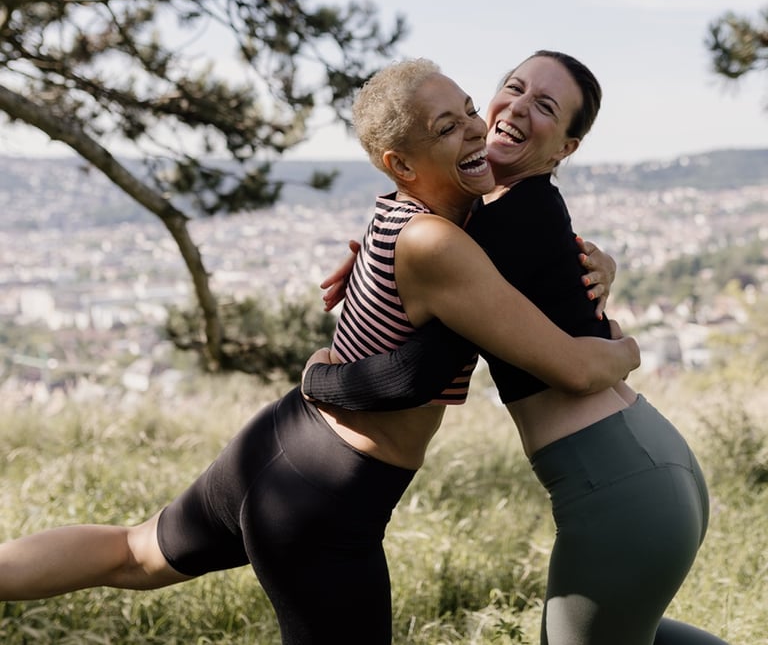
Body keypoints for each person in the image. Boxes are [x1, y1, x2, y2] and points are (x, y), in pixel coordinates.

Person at [0, 60, 640, 645]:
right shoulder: (441, 244)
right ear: (403, 166)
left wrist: (595, 264)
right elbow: (425, 373)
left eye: (470, 108)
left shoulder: (401, 213)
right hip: (329, 495)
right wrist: (622, 351)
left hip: (278, 443)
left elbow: (524, 245)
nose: (479, 129)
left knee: (132, 554)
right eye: (450, 128)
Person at [302, 53, 729, 645]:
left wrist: (318, 381)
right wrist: (383, 254)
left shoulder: (496, 231)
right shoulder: (499, 213)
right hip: (645, 465)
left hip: (617, 485)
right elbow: (431, 212)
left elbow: (414, 374)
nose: (520, 108)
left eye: (547, 107)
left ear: (564, 150)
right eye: (514, 87)